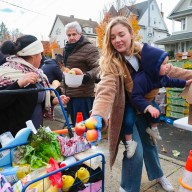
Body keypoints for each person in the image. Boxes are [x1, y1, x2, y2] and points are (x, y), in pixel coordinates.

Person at [83, 16, 192, 192]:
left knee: (150, 144)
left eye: (121, 34)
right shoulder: (112, 62)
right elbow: (105, 90)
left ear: (132, 34)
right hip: (126, 112)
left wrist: (189, 75)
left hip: (145, 107)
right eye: (112, 37)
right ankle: (127, 188)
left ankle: (158, 175)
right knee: (134, 152)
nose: (117, 40)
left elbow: (169, 71)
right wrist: (97, 115)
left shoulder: (146, 54)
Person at [123, 43, 192, 158]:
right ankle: (129, 143)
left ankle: (153, 129)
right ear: (154, 66)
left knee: (157, 113)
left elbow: (172, 82)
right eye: (164, 64)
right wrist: (148, 107)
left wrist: (185, 83)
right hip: (132, 101)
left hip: (145, 100)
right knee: (128, 121)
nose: (167, 67)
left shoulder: (161, 77)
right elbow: (135, 97)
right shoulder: (141, 79)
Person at [0, 35, 70, 137]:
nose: (42, 58)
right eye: (40, 54)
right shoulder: (7, 73)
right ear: (34, 56)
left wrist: (53, 101)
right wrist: (18, 84)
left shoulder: (37, 74)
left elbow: (33, 99)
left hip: (35, 133)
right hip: (14, 137)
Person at [63, 21, 100, 126]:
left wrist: (86, 76)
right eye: (69, 35)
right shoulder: (67, 49)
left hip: (83, 94)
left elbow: (99, 67)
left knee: (84, 126)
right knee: (75, 126)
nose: (71, 37)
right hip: (70, 93)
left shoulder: (89, 48)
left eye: (74, 34)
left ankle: (86, 142)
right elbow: (67, 68)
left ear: (80, 34)